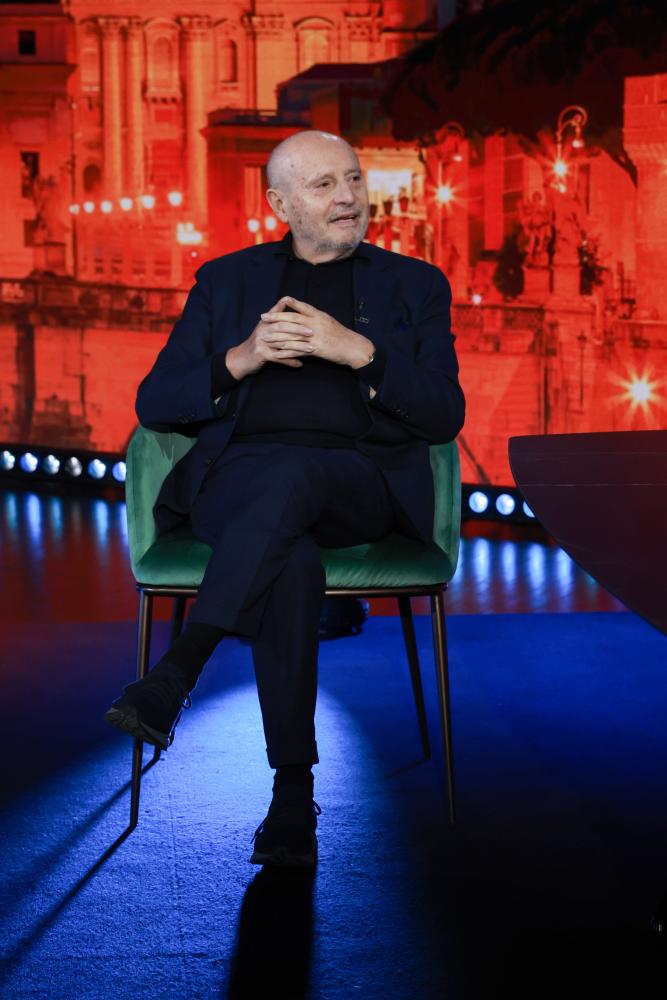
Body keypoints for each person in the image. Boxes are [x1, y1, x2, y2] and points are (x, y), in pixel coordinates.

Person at [105, 130, 465, 868]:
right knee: (288, 556)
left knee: (294, 475)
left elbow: (443, 415)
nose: (348, 197)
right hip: (235, 482)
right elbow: (156, 402)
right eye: (324, 185)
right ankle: (292, 797)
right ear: (279, 203)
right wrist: (242, 358)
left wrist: (356, 350)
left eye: (353, 180)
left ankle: (181, 668)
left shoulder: (415, 285)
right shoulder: (225, 282)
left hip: (357, 484)